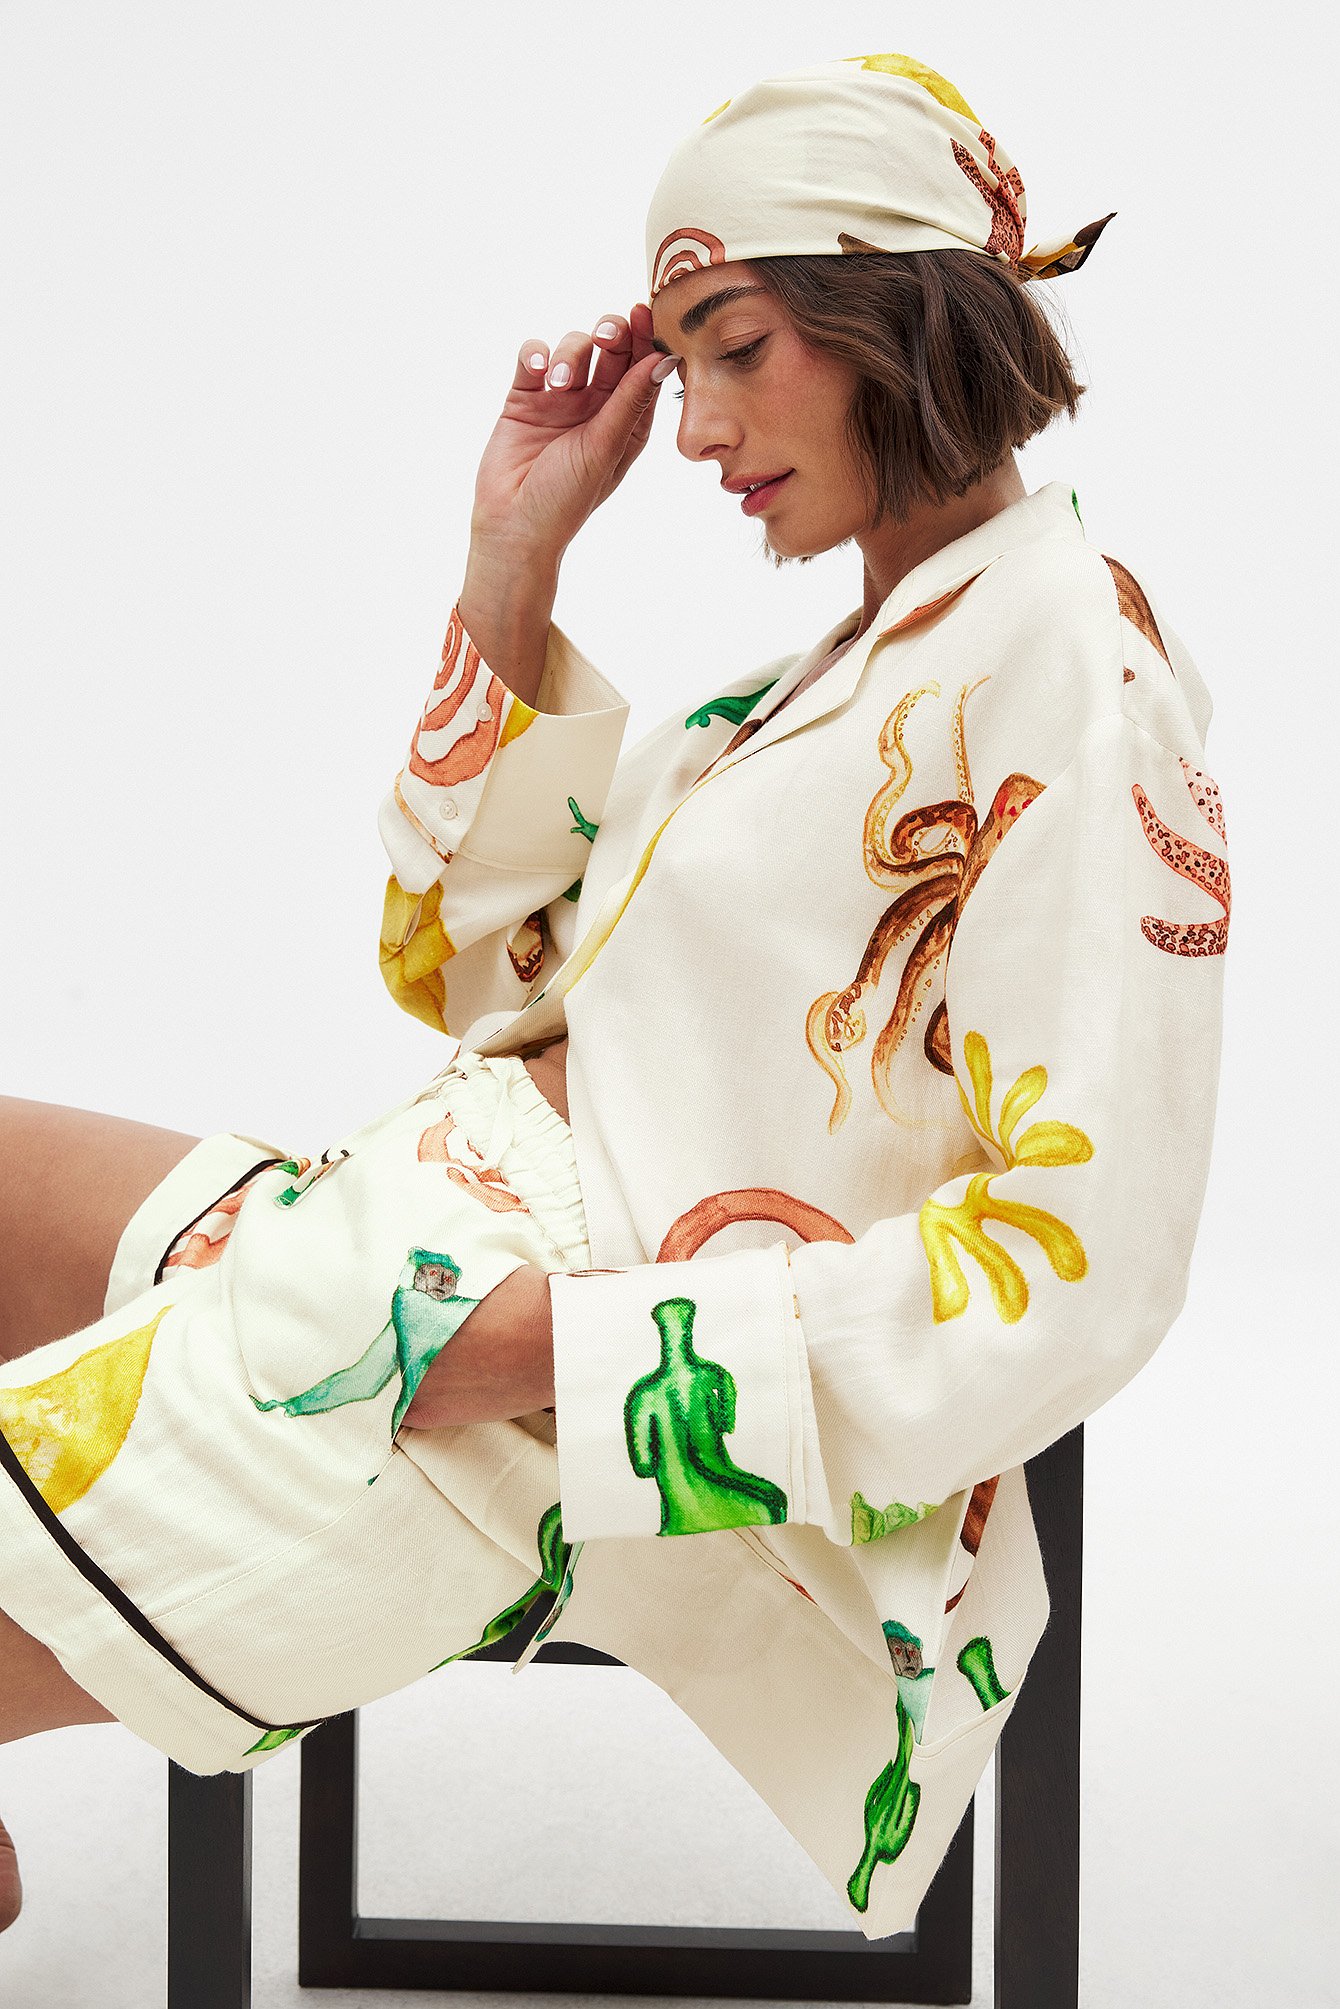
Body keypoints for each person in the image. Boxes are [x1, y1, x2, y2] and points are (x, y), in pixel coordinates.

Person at [0, 51, 1229, 1942]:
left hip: (570, 1372)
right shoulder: (828, 675)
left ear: (895, 316)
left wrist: (549, 1360)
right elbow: (467, 966)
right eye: (681, 360)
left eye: (737, 348)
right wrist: (517, 554)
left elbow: (1088, 1260)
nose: (699, 425)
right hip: (417, 1244)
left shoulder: (1074, 668)